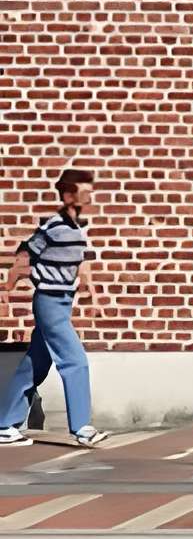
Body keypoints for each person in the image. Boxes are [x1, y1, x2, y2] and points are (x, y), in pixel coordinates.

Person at [0, 167, 104, 446]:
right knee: (75, 360)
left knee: (36, 363)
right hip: (48, 302)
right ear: (68, 195)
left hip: (63, 301)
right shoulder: (53, 226)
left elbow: (83, 263)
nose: (90, 195)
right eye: (84, 191)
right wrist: (7, 289)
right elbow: (25, 254)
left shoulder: (79, 228)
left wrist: (93, 294)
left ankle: (4, 424)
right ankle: (82, 427)